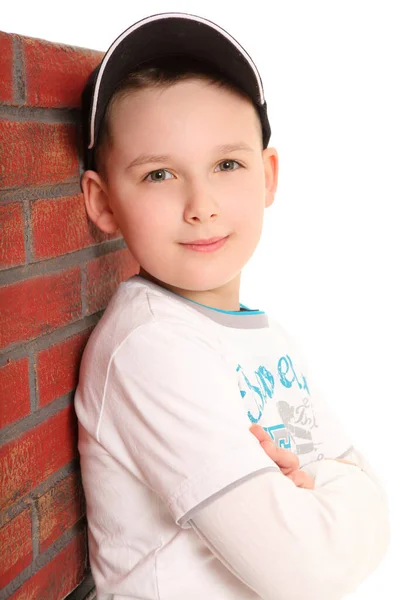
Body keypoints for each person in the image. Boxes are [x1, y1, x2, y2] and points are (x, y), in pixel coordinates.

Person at [74, 12, 390, 600]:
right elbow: (307, 571)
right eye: (159, 174)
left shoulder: (264, 336)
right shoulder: (152, 347)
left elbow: (377, 515)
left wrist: (323, 490)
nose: (202, 205)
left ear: (268, 176)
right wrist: (322, 489)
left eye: (226, 164)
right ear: (103, 201)